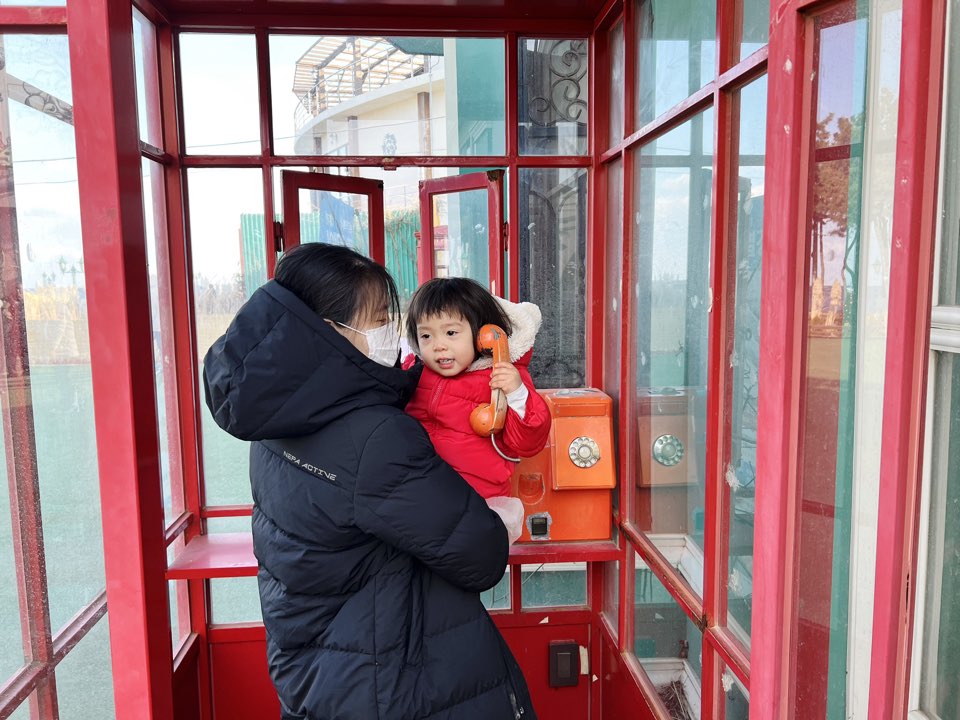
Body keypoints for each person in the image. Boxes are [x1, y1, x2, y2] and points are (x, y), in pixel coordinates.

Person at [202, 243, 535, 720]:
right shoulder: (375, 436)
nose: (390, 333)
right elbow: (479, 556)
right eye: (380, 318)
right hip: (386, 681)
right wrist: (501, 518)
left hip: (316, 666)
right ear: (330, 331)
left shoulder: (274, 419)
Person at [404, 278, 552, 542]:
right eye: (426, 335)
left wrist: (517, 394)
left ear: (483, 335)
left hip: (478, 506)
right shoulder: (413, 373)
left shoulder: (501, 376)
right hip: (421, 501)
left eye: (451, 333)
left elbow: (527, 443)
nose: (438, 345)